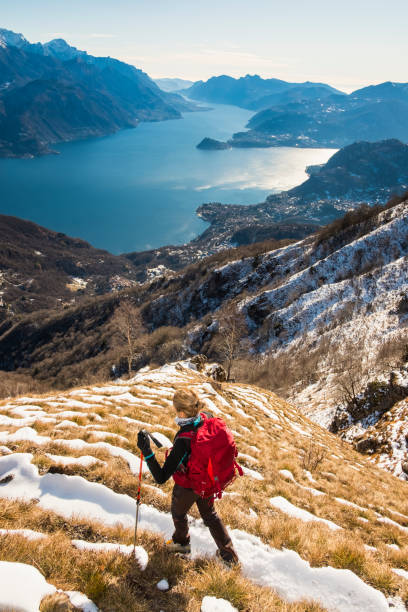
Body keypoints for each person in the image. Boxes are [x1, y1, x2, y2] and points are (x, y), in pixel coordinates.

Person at [137, 388, 239, 565]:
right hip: (207, 481)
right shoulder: (206, 416)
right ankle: (229, 556)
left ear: (182, 412)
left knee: (178, 513)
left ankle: (181, 547)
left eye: (176, 410)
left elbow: (161, 477)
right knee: (210, 515)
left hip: (188, 486)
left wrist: (146, 451)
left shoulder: (183, 440)